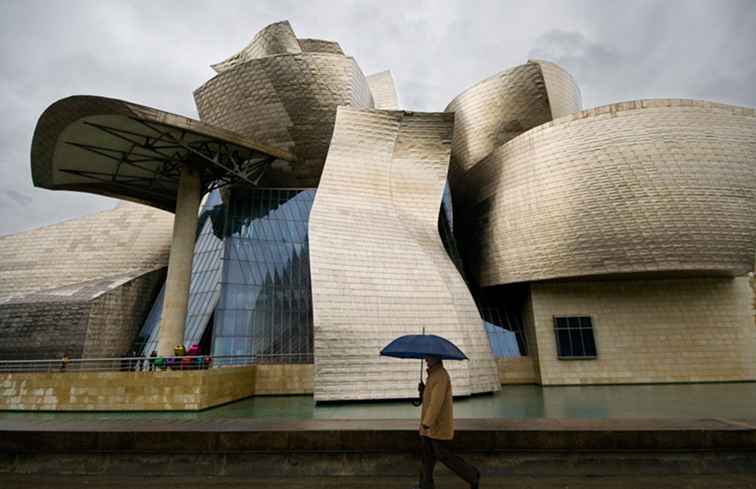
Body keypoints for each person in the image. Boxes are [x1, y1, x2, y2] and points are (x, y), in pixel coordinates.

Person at [413, 355, 480, 489]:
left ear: (436, 359)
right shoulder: (433, 375)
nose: (426, 359)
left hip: (435, 426)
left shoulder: (441, 376)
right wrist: (423, 391)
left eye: (428, 357)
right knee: (427, 457)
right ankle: (426, 485)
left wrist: (427, 422)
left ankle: (472, 475)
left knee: (444, 456)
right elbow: (429, 398)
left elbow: (436, 403)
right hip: (430, 426)